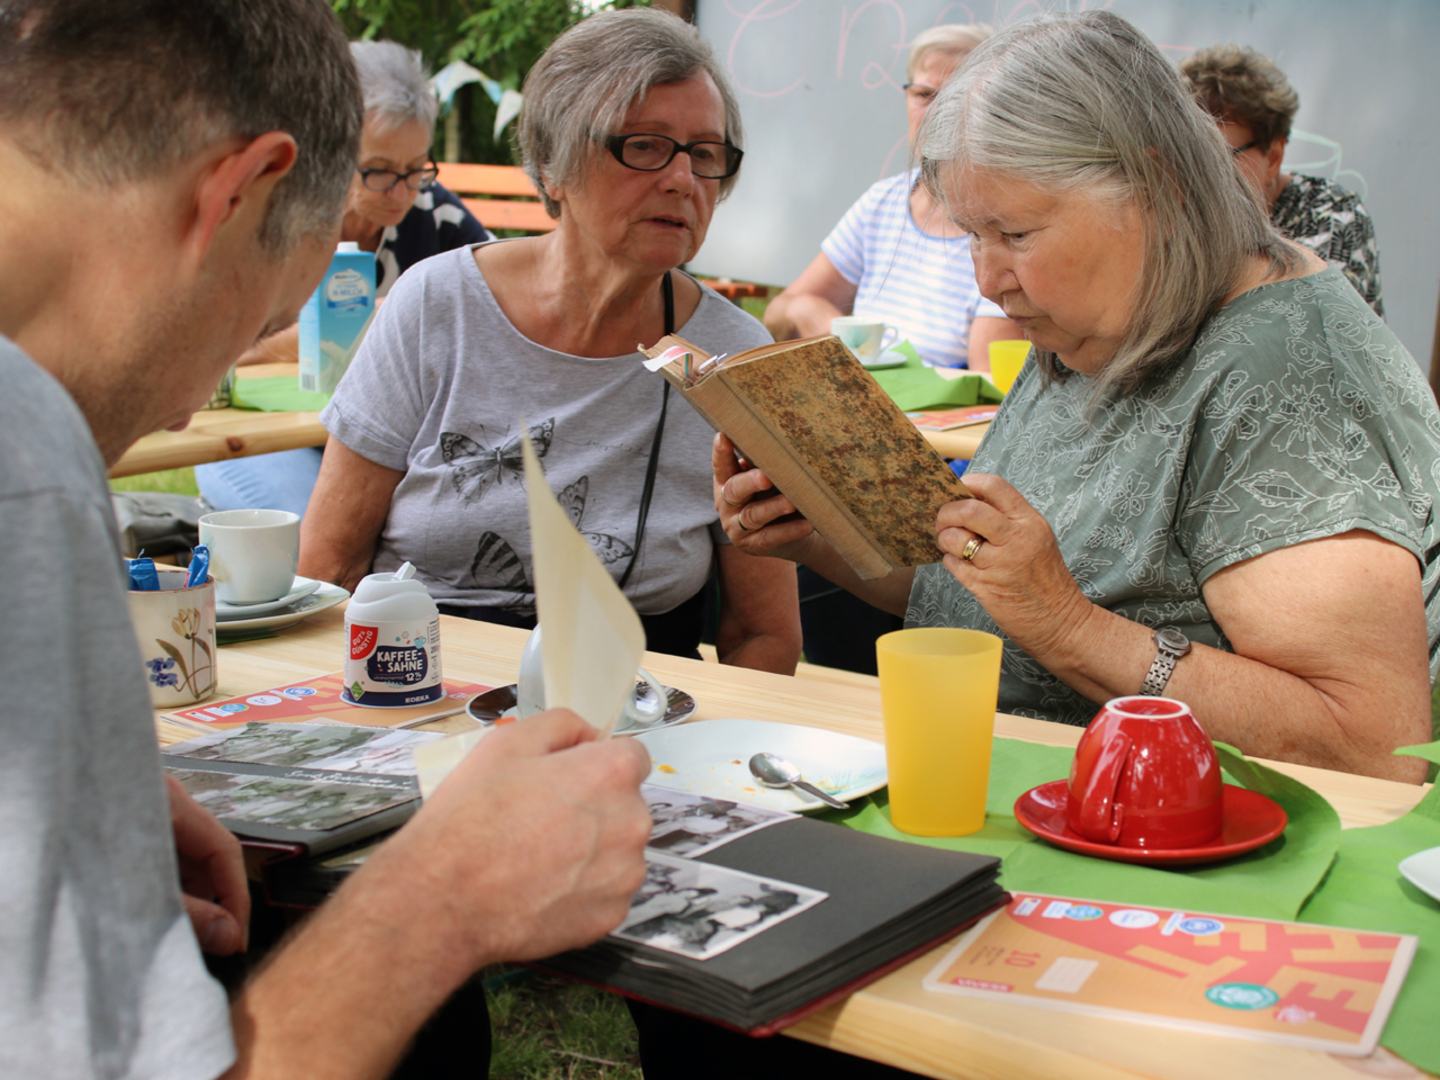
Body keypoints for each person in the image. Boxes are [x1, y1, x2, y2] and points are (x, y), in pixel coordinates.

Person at [0, 3, 652, 1077]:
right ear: (239, 191)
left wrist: (91, 783)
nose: (196, 405)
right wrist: (439, 900)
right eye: (266, 310)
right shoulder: (26, 459)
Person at [713, 10, 1437, 784]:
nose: (986, 280)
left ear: (1153, 182)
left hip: (1177, 882)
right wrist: (814, 527)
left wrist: (1070, 627)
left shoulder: (1284, 374)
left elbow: (1370, 747)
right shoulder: (1104, 311)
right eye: (971, 236)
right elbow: (979, 593)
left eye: (1014, 235)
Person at [299, 8, 802, 674]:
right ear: (552, 165)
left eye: (704, 154)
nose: (682, 179)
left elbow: (764, 634)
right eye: (645, 145)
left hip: (635, 715)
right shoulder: (436, 305)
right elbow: (327, 570)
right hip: (416, 689)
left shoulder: (732, 352)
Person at [195, 39, 491, 520]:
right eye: (378, 171)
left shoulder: (436, 216)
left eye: (416, 169)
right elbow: (206, 350)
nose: (402, 192)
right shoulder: (272, 217)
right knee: (312, 536)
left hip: (395, 446)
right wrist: (323, 337)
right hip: (265, 444)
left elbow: (498, 313)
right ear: (328, 148)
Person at [763, 23, 1019, 372]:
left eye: (954, 98)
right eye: (923, 95)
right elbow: (778, 313)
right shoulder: (884, 203)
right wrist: (815, 317)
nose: (935, 113)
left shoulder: (1005, 224)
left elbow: (990, 382)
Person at [1179, 43, 1385, 317]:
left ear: (1274, 156)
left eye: (1221, 157)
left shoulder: (1333, 215)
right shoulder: (1176, 218)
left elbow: (1297, 325)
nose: (1202, 174)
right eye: (1190, 156)